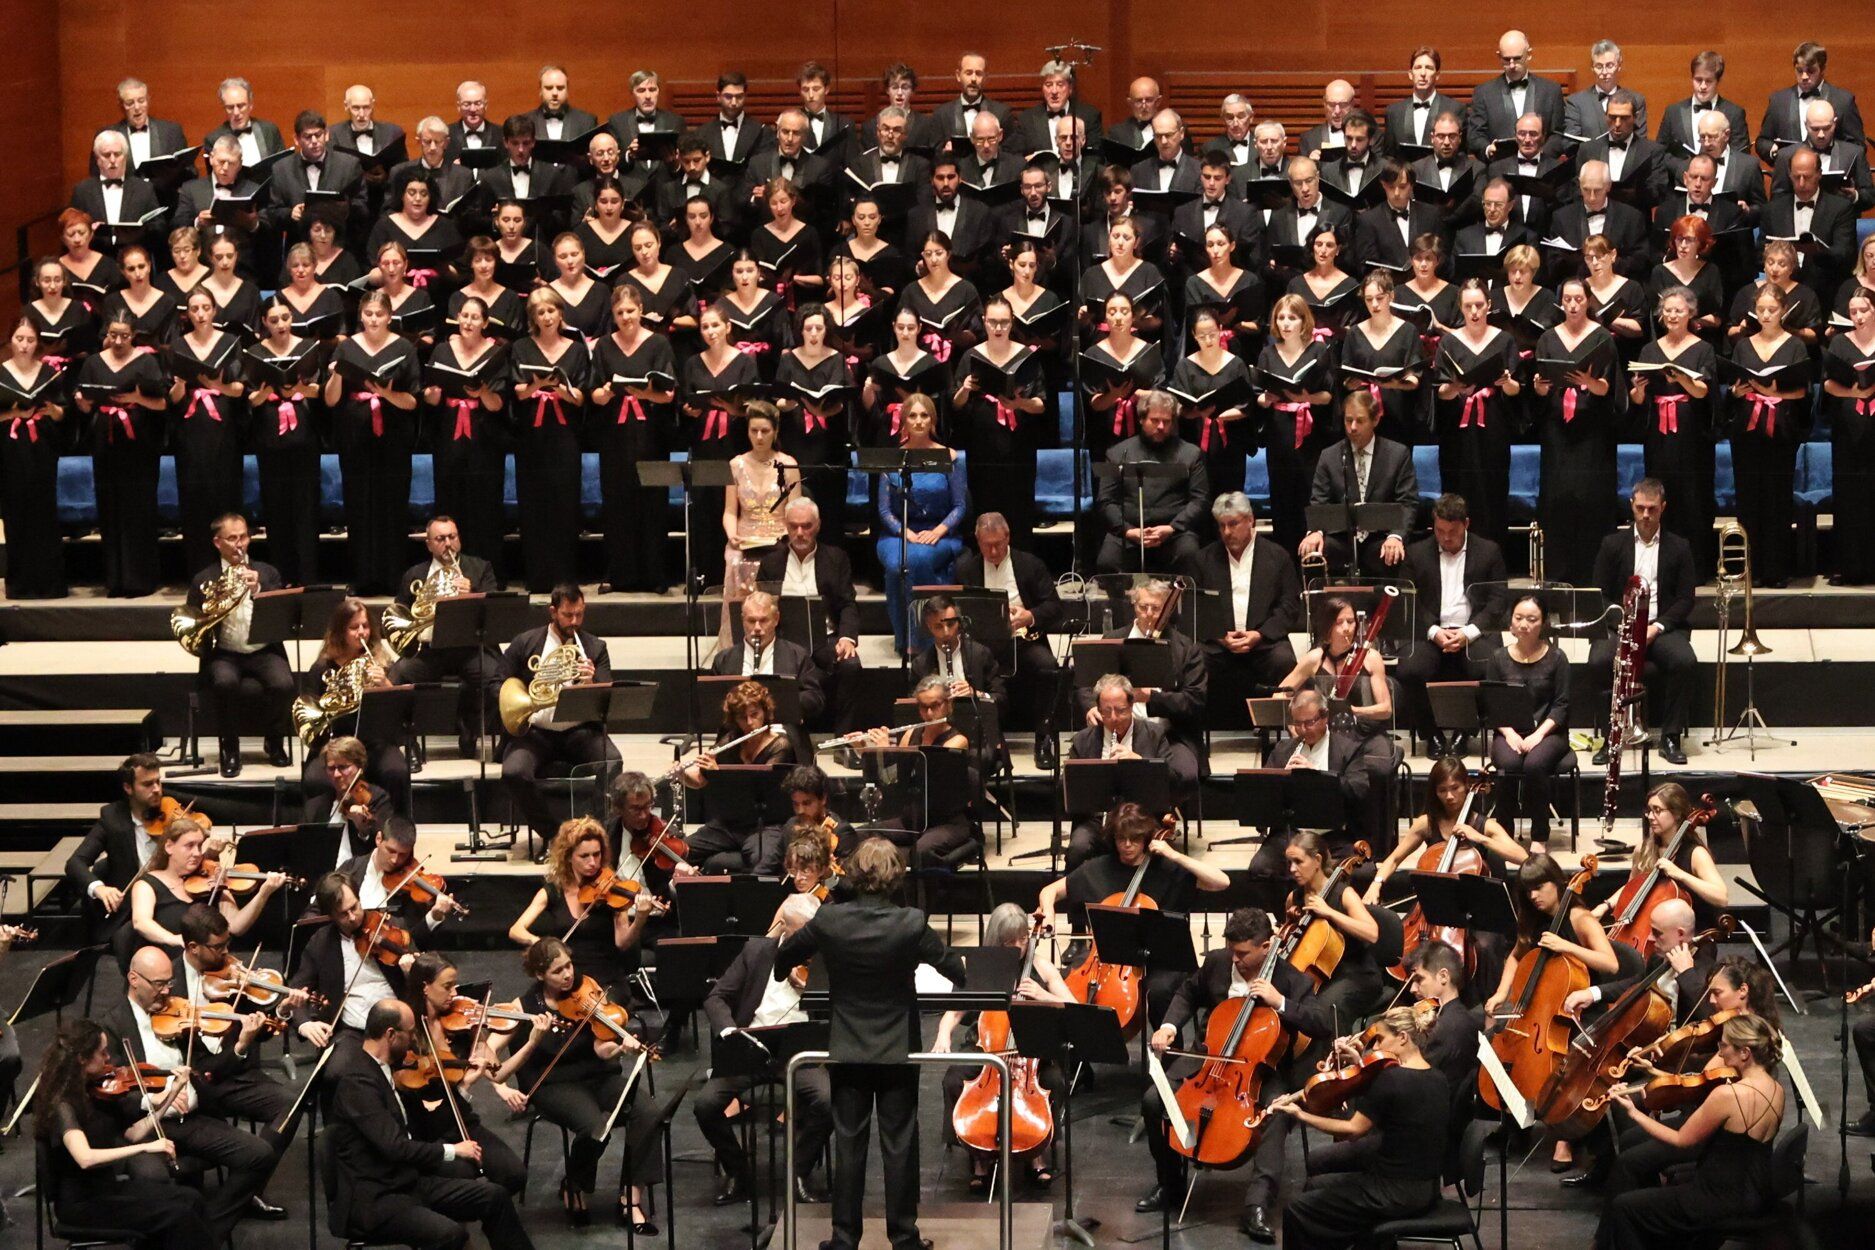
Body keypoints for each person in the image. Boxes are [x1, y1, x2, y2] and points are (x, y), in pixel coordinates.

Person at [773, 837, 968, 1250]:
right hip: (898, 1048)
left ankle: (844, 1238)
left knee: (849, 1142)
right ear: (895, 877)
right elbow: (953, 967)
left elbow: (783, 959)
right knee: (899, 1142)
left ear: (855, 875)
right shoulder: (911, 922)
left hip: (847, 1046)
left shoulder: (830, 921)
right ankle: (904, 1237)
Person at [1137, 906, 1327, 1238]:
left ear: (1267, 947)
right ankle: (1170, 1185)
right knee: (1155, 1101)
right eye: (1232, 952)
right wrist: (1168, 1026)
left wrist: (1280, 1002)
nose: (1235, 960)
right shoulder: (1218, 963)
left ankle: (1257, 1204)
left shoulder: (1291, 980)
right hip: (1208, 1060)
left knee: (1277, 1112)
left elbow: (1321, 1023)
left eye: (1243, 953)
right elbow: (1187, 992)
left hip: (1261, 1070)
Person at [325, 998, 535, 1250]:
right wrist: (453, 1151)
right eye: (410, 1032)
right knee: (449, 1234)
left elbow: (427, 1128)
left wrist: (463, 1087)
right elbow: (395, 1147)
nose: (414, 1040)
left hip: (406, 1182)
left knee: (495, 1197)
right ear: (391, 1035)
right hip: (375, 1197)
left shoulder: (389, 1070)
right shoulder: (357, 1081)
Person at [102, 944, 280, 1240]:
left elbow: (208, 1068)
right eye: (158, 984)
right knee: (152, 1177)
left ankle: (206, 1232)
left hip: (193, 1120)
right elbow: (114, 1090)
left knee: (260, 1154)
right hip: (147, 1129)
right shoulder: (112, 1024)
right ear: (134, 979)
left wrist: (240, 1045)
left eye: (169, 982)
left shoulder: (180, 1013)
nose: (166, 992)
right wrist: (154, 1099)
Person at [1595, 1013, 1786, 1250]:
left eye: (1724, 1046)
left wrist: (1634, 1113)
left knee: (1624, 1207)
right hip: (1752, 1194)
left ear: (1745, 1053)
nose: (1720, 1051)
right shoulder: (1777, 1090)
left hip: (1715, 1198)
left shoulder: (1728, 1095)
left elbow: (1681, 1139)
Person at [1269, 1003, 1452, 1250]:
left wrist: (1301, 1115)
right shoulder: (1438, 1079)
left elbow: (1353, 1130)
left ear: (1402, 1038)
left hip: (1392, 1193)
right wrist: (1359, 1066)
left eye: (1380, 1040)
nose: (1375, 1048)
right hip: (1426, 1190)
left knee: (1296, 1211)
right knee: (1315, 1187)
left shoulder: (1392, 1079)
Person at [696, 892, 835, 1205]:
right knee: (705, 1105)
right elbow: (716, 998)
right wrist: (730, 1031)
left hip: (800, 1056)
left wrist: (813, 991)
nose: (808, 943)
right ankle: (739, 1172)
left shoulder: (827, 957)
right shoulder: (757, 950)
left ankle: (799, 1171)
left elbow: (843, 1008)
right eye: (802, 934)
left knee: (828, 1101)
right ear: (785, 927)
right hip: (751, 1050)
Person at [33, 1017, 215, 1250]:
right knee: (177, 1216)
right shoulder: (63, 1105)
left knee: (192, 1198)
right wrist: (147, 1148)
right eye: (102, 1053)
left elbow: (132, 1134)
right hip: (83, 1204)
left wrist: (171, 1094)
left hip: (107, 1189)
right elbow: (85, 1158)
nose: (109, 1059)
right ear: (81, 1059)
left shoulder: (97, 1092)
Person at [933, 901, 1075, 1190]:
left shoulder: (1040, 965)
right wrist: (943, 1034)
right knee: (953, 1080)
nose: (1019, 947)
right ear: (997, 941)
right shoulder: (982, 967)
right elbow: (955, 1011)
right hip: (987, 1047)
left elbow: (1074, 1005)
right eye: (1011, 942)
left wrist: (1044, 996)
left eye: (1023, 939)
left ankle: (1037, 1150)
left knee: (1054, 1081)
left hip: (1032, 1051)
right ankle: (978, 1153)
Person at [399, 953, 530, 1198]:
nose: (455, 993)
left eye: (455, 985)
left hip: (462, 1120)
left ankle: (488, 1212)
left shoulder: (462, 1023)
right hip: (428, 1130)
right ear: (425, 988)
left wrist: (531, 1041)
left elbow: (496, 1072)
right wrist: (467, 1082)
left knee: (514, 1175)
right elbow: (421, 1101)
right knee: (467, 1175)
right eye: (447, 987)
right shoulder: (408, 1029)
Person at [1590, 479, 1697, 767]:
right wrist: (1623, 624)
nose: (1646, 515)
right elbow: (1599, 594)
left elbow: (1686, 599)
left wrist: (1656, 627)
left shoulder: (1679, 547)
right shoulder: (1612, 544)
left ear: (1663, 508)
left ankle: (1671, 736)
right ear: (1632, 507)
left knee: (1685, 661)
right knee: (1599, 660)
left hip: (1658, 628)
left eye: (1652, 509)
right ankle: (1610, 736)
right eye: (1640, 508)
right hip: (1621, 627)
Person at [1395, 494, 1510, 755]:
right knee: (1409, 670)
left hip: (1474, 632)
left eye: (1452, 532)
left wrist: (1469, 633)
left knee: (1489, 667)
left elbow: (1498, 601)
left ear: (1466, 524)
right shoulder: (1415, 554)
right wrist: (1434, 631)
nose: (1446, 538)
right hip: (1431, 632)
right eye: (1440, 531)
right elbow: (1408, 600)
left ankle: (1464, 732)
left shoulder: (1489, 551)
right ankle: (1431, 734)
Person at [323, 290, 421, 594]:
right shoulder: (347, 347)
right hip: (355, 437)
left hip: (393, 437)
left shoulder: (404, 347)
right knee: (359, 504)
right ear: (361, 316)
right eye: (368, 314)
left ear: (389, 316)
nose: (374, 319)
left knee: (392, 504)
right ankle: (363, 577)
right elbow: (330, 400)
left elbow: (412, 402)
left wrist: (386, 393)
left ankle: (393, 577)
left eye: (380, 314)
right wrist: (336, 375)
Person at [185, 512, 294, 776]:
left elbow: (282, 614)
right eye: (232, 538)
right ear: (217, 543)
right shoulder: (203, 580)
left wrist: (259, 591)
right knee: (224, 683)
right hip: (225, 653)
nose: (239, 544)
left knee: (284, 684)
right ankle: (229, 748)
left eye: (243, 536)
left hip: (263, 649)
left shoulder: (267, 573)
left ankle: (275, 741)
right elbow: (191, 621)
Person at [1532, 277, 1624, 585]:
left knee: (1591, 500)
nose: (1573, 305)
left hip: (1592, 432)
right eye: (1567, 300)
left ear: (1588, 301)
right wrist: (1539, 388)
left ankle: (1593, 577)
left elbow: (1609, 390)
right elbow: (1540, 390)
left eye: (1578, 299)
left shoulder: (1602, 338)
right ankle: (1558, 577)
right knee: (1558, 499)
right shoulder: (1547, 338)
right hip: (1558, 431)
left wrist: (1591, 381)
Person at [589, 283, 679, 593]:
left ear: (641, 310)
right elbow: (595, 394)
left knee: (652, 501)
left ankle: (655, 575)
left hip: (650, 433)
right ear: (613, 315)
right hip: (615, 434)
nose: (626, 317)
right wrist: (605, 391)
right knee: (618, 502)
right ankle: (621, 574)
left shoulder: (658, 344)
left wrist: (646, 393)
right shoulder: (603, 346)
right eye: (619, 312)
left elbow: (668, 395)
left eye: (630, 311)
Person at [954, 512, 1063, 766]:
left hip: (1023, 639)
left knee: (1048, 667)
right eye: (986, 545)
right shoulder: (966, 569)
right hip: (981, 645)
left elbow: (1055, 606)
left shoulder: (1030, 564)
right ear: (977, 542)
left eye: (998, 544)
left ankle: (1044, 738)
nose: (992, 551)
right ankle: (982, 740)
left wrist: (1029, 616)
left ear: (1008, 538)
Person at [72, 309, 166, 596]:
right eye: (113, 335)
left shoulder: (146, 361)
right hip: (106, 440)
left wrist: (137, 397)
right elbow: (85, 406)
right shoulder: (93, 362)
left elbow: (161, 404)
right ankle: (115, 579)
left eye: (124, 336)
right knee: (110, 507)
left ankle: (141, 579)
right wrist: (82, 400)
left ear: (133, 336)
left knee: (138, 508)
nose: (118, 341)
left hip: (139, 444)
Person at [1632, 283, 1719, 577]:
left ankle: (1697, 566)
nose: (1672, 315)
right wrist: (1638, 392)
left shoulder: (1703, 348)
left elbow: (1703, 393)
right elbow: (1639, 401)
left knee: (1692, 495)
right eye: (1667, 310)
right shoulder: (1649, 349)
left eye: (1678, 310)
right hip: (1659, 433)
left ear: (1690, 314)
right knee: (1661, 492)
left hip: (1691, 434)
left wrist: (1680, 378)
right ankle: (1661, 566)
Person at [757, 498, 863, 732]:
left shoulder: (836, 558)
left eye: (806, 526)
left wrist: (847, 638)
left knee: (851, 666)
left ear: (818, 525)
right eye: (794, 526)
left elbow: (847, 604)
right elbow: (764, 606)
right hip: (785, 642)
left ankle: (844, 739)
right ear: (786, 526)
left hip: (825, 641)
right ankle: (778, 736)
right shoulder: (771, 563)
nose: (800, 532)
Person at [124, 818, 287, 970]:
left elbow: (237, 926)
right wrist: (174, 939)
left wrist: (264, 893)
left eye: (200, 845)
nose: (197, 853)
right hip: (169, 968)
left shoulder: (211, 880)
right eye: (189, 846)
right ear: (169, 847)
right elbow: (141, 922)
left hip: (210, 969)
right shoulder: (147, 884)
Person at [1195, 492, 1302, 723]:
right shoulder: (1203, 558)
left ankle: (1283, 725)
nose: (1226, 532)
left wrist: (1259, 634)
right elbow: (1196, 606)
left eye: (1233, 524)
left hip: (1264, 641)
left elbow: (1290, 606)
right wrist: (1220, 636)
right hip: (1219, 643)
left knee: (1283, 660)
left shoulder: (1278, 556)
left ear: (1251, 520)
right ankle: (1196, 729)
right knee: (1194, 660)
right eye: (1222, 525)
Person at [1062, 674, 1186, 868]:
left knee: (1162, 859)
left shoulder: (1154, 734)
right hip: (1098, 820)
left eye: (1120, 711)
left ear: (1131, 705)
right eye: (1106, 711)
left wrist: (1140, 762)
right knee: (1078, 848)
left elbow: (1174, 783)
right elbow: (1067, 786)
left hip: (1141, 820)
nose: (1113, 718)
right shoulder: (1082, 740)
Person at [1255, 689, 1388, 869]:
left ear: (1325, 717)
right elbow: (1263, 795)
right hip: (1291, 835)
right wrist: (1281, 781)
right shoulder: (1282, 750)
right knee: (1260, 867)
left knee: (1363, 871)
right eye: (1297, 723)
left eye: (1309, 722)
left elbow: (1358, 790)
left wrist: (1318, 776)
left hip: (1333, 837)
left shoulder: (1349, 749)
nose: (1302, 729)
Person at [301, 596, 410, 813]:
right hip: (334, 745)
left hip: (374, 744)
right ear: (341, 631)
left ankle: (394, 834)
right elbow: (309, 713)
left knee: (396, 771)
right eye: (354, 627)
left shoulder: (382, 664)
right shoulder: (321, 668)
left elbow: (399, 713)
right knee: (316, 779)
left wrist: (386, 685)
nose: (362, 632)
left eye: (365, 626)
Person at [875, 393, 966, 654]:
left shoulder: (950, 457)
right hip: (898, 533)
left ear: (933, 421)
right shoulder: (892, 459)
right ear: (903, 421)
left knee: (916, 562)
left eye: (924, 415)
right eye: (912, 415)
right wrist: (906, 533)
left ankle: (924, 642)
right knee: (897, 563)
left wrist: (937, 531)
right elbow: (884, 510)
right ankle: (904, 638)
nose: (918, 421)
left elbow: (960, 506)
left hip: (940, 532)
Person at [508, 287, 586, 591]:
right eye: (540, 312)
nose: (547, 316)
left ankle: (565, 577)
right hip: (532, 435)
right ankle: (538, 576)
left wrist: (559, 389)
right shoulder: (522, 347)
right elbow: (519, 392)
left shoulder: (577, 350)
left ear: (560, 313)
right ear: (533, 318)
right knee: (534, 503)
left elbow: (580, 397)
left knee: (564, 502)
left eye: (551, 310)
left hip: (564, 433)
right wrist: (537, 385)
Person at [1367, 755, 1527, 902]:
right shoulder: (1427, 823)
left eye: (1455, 788)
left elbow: (1522, 857)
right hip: (1436, 901)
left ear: (1466, 785)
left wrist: (1480, 838)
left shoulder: (1486, 826)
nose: (1449, 796)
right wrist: (1376, 884)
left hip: (1474, 902)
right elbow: (1394, 859)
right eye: (1442, 790)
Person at [244, 294, 325, 585]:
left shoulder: (307, 348)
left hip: (303, 435)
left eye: (286, 318)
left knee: (305, 508)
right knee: (276, 509)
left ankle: (308, 576)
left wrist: (300, 389)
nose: (281, 324)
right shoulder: (255, 351)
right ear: (265, 322)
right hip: (270, 437)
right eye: (274, 320)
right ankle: (281, 576)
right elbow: (251, 400)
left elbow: (320, 392)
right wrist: (268, 392)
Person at [679, 679, 798, 873]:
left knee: (764, 861)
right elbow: (701, 780)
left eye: (754, 715)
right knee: (679, 851)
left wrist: (717, 774)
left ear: (765, 713)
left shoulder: (781, 746)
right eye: (743, 717)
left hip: (764, 824)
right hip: (730, 823)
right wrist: (681, 774)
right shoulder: (732, 740)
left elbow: (754, 789)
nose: (750, 723)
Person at [953, 295, 1046, 540]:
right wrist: (965, 388)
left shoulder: (1026, 356)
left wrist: (1019, 403)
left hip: (1019, 448)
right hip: (982, 447)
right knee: (984, 508)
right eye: (993, 322)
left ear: (1012, 322)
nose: (998, 328)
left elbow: (1041, 404)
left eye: (1004, 322)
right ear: (984, 322)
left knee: (1020, 509)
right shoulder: (971, 356)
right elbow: (956, 404)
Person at [1486, 594, 1575, 849]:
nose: (1524, 624)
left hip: (1549, 732)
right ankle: (1504, 835)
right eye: (1519, 618)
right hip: (1509, 730)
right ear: (1511, 622)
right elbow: (1492, 704)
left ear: (1543, 623)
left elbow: (1562, 705)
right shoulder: (1498, 658)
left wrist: (1538, 736)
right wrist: (1510, 734)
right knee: (1507, 763)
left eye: (1532, 619)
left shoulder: (1558, 658)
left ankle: (1539, 835)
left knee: (1535, 764)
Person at [288, 874, 411, 1050]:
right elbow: (298, 989)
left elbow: (426, 974)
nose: (353, 917)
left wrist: (410, 971)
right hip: (350, 1031)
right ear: (330, 915)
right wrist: (305, 1024)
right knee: (337, 1071)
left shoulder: (391, 927)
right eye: (343, 914)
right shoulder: (321, 942)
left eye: (354, 907)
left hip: (397, 1027)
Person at [1300, 391, 1416, 577]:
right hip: (1341, 537)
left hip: (1381, 536)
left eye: (1360, 421)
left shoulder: (1397, 454)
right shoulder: (1329, 456)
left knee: (1396, 553)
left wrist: (1396, 536)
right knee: (1314, 551)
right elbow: (1319, 501)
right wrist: (1315, 531)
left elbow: (1408, 502)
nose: (1352, 427)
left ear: (1375, 421)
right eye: (1348, 420)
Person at [1094, 388, 1206, 576]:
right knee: (1107, 562)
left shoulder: (1191, 454)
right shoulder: (1116, 454)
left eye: (1167, 421)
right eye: (1155, 420)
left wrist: (1172, 528)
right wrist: (1129, 531)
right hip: (1130, 532)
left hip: (1173, 532)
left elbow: (1200, 500)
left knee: (1190, 555)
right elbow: (1106, 501)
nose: (1161, 426)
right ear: (1141, 420)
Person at [0, 317, 68, 599]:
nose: (24, 345)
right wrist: (14, 414)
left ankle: (49, 583)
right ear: (10, 341)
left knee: (43, 513)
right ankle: (19, 583)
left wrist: (51, 410)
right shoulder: (1, 373)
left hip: (42, 449)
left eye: (29, 340)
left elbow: (62, 412)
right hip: (10, 450)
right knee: (15, 511)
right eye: (19, 339)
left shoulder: (48, 372)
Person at [774, 303, 854, 539]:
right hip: (795, 441)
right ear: (801, 330)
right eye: (809, 328)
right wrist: (788, 404)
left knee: (830, 510)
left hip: (829, 443)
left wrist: (820, 410)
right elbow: (777, 398)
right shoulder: (789, 359)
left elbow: (843, 401)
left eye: (819, 328)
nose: (813, 333)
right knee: (797, 504)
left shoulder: (837, 359)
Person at [1172, 304, 1257, 495]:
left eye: (1212, 333)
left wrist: (1217, 415)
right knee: (1199, 495)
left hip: (1231, 443)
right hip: (1195, 440)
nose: (1208, 340)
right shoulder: (1184, 366)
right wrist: (1196, 412)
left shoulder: (1235, 364)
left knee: (1230, 496)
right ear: (1194, 335)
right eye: (1202, 336)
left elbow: (1246, 406)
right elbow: (1179, 407)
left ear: (1220, 330)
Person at [710, 591, 828, 724]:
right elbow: (712, 702)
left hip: (783, 729)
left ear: (776, 619)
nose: (757, 628)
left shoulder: (797, 655)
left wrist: (775, 701)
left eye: (764, 620)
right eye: (751, 621)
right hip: (738, 731)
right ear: (742, 620)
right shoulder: (724, 659)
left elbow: (816, 699)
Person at [1827, 287, 1875, 584]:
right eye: (1853, 312)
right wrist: (1855, 391)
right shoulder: (1839, 344)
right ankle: (1850, 567)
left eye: (1863, 310)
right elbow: (1829, 384)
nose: (1857, 316)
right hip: (1849, 427)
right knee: (1850, 496)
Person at [312, 735, 394, 863]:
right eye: (331, 768)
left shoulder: (377, 799)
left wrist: (363, 829)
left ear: (360, 767)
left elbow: (386, 849)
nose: (336, 774)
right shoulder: (316, 805)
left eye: (343, 767)